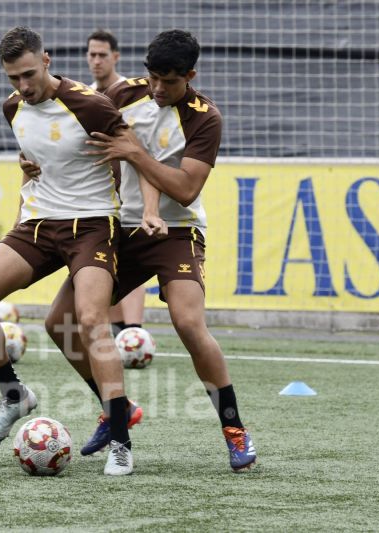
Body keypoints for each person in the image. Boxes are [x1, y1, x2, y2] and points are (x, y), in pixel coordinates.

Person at [32, 29, 257, 472]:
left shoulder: (204, 117)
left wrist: (134, 154)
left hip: (176, 231)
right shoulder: (123, 93)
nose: (156, 89)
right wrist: (39, 160)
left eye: (168, 81)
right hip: (117, 228)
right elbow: (79, 136)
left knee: (189, 323)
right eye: (152, 77)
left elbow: (186, 188)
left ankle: (234, 430)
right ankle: (115, 408)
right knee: (59, 323)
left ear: (189, 75)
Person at [0, 26, 135, 476]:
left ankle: (121, 439)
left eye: (29, 74)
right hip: (38, 225)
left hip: (92, 225)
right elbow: (36, 158)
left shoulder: (90, 105)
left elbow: (135, 153)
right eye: (13, 77)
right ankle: (14, 394)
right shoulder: (13, 107)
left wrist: (145, 213)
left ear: (47, 61)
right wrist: (25, 175)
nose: (22, 86)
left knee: (86, 320)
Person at [85, 29, 147, 336]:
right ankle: (118, 330)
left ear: (115, 57)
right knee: (104, 264)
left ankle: (134, 332)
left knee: (131, 260)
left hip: (132, 192)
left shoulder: (130, 95)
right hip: (98, 194)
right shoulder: (83, 96)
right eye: (92, 55)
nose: (96, 61)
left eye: (102, 55)